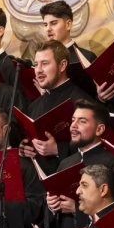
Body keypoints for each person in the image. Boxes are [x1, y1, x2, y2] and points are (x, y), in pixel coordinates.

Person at [20, 40, 96, 174]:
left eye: (45, 64)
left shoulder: (80, 101)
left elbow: (96, 144)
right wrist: (26, 148)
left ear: (62, 66)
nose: (38, 70)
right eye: (36, 64)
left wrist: (58, 149)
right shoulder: (34, 106)